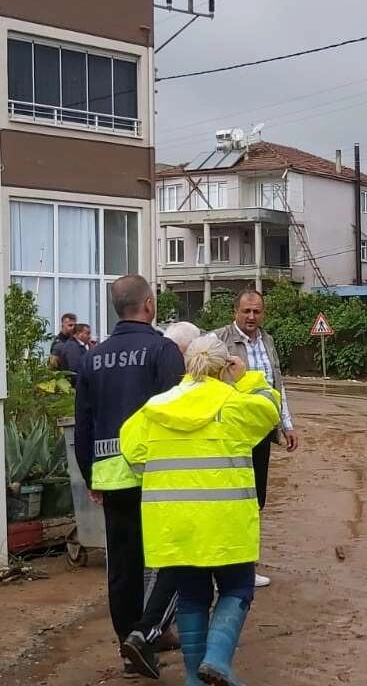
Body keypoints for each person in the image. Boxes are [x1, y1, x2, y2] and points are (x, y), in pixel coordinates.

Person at [120, 335, 281, 686]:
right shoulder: (233, 403)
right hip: (227, 524)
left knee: (192, 596)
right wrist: (248, 378)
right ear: (224, 367)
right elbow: (271, 410)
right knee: (237, 588)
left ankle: (195, 677)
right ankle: (218, 660)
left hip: (175, 525)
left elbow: (131, 451)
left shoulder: (155, 407)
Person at [74, 276, 185, 679]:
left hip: (110, 478)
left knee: (123, 567)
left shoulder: (92, 357)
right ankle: (146, 634)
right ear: (150, 305)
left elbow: (83, 423)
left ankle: (129, 647)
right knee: (173, 559)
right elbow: (176, 416)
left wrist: (90, 475)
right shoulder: (163, 349)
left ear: (116, 308)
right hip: (155, 476)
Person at [215, 289, 299, 588]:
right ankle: (220, 569)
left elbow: (277, 387)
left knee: (255, 501)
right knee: (229, 501)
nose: (251, 317)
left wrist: (286, 424)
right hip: (230, 435)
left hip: (261, 434)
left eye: (257, 312)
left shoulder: (268, 341)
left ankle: (245, 568)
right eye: (246, 311)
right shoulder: (219, 341)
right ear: (235, 312)